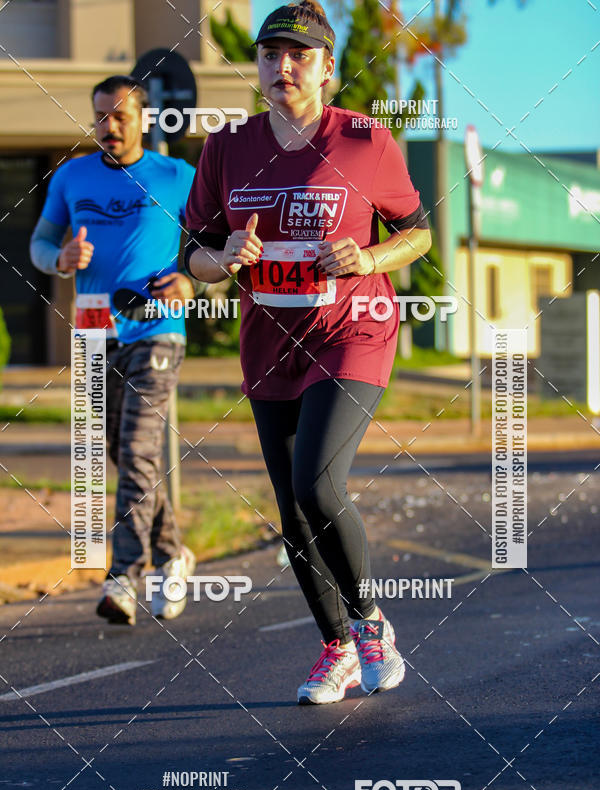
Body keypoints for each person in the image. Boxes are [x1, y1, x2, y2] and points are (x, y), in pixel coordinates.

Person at [185, 0, 432, 703]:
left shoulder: (363, 140)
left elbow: (419, 234)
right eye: (269, 53)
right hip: (271, 345)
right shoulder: (226, 146)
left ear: (327, 69)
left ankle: (371, 624)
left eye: (298, 55)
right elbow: (193, 254)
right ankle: (336, 648)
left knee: (316, 483)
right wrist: (223, 258)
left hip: (353, 333)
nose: (281, 66)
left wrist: (369, 255)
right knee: (291, 514)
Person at [30, 75, 197, 626]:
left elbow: (213, 246)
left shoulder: (177, 177)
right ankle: (174, 555)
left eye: (121, 116)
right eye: (101, 116)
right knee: (129, 458)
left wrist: (194, 282)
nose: (110, 127)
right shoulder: (71, 175)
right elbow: (39, 242)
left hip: (156, 328)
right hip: (93, 328)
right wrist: (59, 258)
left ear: (144, 119)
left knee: (140, 449)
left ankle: (125, 574)